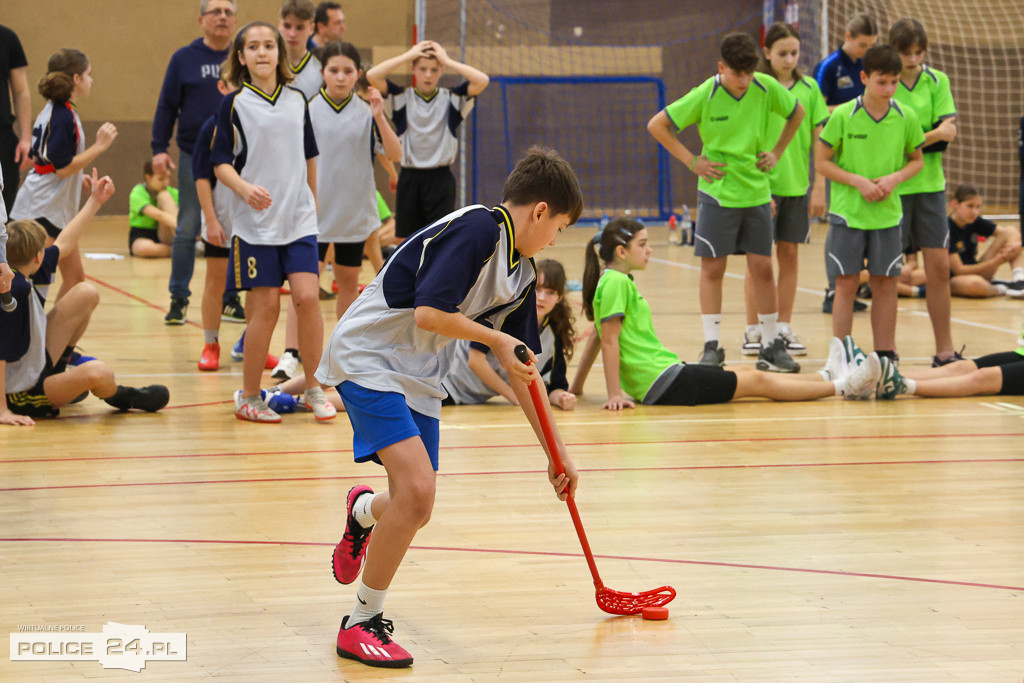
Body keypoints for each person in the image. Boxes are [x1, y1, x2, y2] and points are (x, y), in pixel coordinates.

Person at [318, 147, 583, 668]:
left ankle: (361, 513)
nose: (556, 240)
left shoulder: (523, 274)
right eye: (560, 227)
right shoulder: (480, 228)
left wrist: (557, 452)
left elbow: (521, 368)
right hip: (369, 355)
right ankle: (360, 622)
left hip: (419, 374)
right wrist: (495, 339)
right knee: (418, 493)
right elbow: (429, 313)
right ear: (539, 211)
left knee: (410, 504)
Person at [569, 218, 880, 410]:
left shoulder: (614, 282)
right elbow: (608, 342)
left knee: (743, 373)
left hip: (665, 373)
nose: (649, 250)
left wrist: (577, 388)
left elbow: (597, 336)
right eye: (642, 244)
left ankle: (825, 375)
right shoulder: (615, 283)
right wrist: (613, 394)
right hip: (661, 383)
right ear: (622, 252)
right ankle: (844, 386)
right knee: (756, 381)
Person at [647, 32, 805, 371]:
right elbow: (658, 125)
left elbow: (797, 113)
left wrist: (777, 151)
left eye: (749, 72)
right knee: (713, 268)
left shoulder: (764, 87)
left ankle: (771, 345)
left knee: (763, 268)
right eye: (737, 73)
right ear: (722, 67)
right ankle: (712, 346)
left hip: (757, 194)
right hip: (717, 195)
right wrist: (693, 162)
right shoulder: (705, 93)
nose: (744, 80)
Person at [212, 21, 334, 423]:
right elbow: (220, 163)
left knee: (308, 297)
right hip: (255, 225)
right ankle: (249, 396)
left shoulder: (298, 100)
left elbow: (309, 155)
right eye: (253, 46)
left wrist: (312, 200)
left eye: (269, 45)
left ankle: (314, 386)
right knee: (264, 308)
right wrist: (244, 189)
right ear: (242, 57)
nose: (262, 52)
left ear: (280, 53)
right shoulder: (234, 104)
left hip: (298, 220)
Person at [1, 170, 169, 426]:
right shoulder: (13, 292)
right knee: (98, 373)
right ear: (37, 256)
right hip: (19, 392)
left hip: (33, 366)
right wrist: (2, 409)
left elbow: (66, 242)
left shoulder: (24, 267)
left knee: (85, 292)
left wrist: (95, 201)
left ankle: (58, 373)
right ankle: (125, 397)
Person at [816, 45, 924, 366]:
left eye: (894, 82)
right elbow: (822, 163)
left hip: (887, 216)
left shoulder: (906, 116)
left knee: (885, 283)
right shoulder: (842, 115)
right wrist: (858, 182)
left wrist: (895, 178)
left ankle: (885, 354)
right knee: (846, 282)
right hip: (848, 214)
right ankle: (840, 354)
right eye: (881, 82)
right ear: (864, 77)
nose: (888, 89)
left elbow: (916, 160)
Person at [740, 22, 829, 361]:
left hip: (796, 185)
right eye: (782, 53)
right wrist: (760, 185)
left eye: (794, 52)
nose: (789, 59)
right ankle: (754, 328)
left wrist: (819, 186)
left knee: (789, 256)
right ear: (766, 53)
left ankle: (782, 326)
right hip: (762, 186)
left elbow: (821, 140)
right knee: (758, 260)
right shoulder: (757, 87)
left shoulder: (809, 88)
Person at [10, 48, 117, 304]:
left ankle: (53, 338)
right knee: (34, 280)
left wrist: (76, 177)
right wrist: (99, 146)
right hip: (42, 209)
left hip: (55, 205)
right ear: (77, 79)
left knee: (75, 278)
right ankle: (32, 337)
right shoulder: (62, 114)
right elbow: (61, 167)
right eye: (89, 75)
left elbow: (51, 160)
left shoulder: (59, 110)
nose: (92, 81)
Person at [154, 0, 238, 325]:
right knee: (189, 225)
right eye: (215, 11)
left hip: (236, 158)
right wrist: (159, 147)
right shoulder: (184, 58)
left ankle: (230, 298)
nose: (222, 17)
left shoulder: (241, 57)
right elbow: (166, 105)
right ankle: (178, 298)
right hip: (193, 153)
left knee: (233, 228)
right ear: (201, 19)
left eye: (228, 12)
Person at [309, 41, 401, 321]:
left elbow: (395, 153)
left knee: (348, 288)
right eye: (333, 70)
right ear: (322, 72)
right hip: (313, 217)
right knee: (307, 292)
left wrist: (379, 116)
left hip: (352, 217)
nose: (340, 76)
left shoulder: (366, 112)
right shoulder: (307, 110)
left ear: (357, 73)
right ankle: (293, 352)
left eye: (347, 70)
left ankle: (340, 352)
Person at [889, 18, 961, 366]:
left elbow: (948, 131)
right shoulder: (885, 84)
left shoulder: (937, 81)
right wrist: (928, 135)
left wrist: (915, 139)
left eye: (919, 52)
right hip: (895, 187)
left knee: (939, 269)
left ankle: (945, 351)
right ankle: (886, 351)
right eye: (906, 53)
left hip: (931, 186)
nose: (913, 59)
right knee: (888, 272)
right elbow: (890, 144)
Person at [366, 40, 489, 243]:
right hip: (409, 178)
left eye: (434, 69)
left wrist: (447, 60)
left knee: (439, 240)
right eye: (422, 69)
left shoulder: (452, 98)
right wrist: (409, 55)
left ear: (441, 70)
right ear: (413, 69)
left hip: (440, 179)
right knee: (406, 241)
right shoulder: (400, 98)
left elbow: (482, 80)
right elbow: (373, 75)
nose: (428, 75)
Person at [442, 259, 577, 410]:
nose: (542, 297)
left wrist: (561, 397)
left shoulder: (554, 335)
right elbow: (475, 361)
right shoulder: (505, 312)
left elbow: (552, 386)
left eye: (550, 292)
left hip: (469, 400)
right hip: (445, 381)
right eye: (537, 289)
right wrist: (513, 396)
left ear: (559, 297)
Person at [815, 13, 878, 313]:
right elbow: (817, 110)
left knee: (863, 222)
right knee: (839, 224)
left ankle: (854, 285)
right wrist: (854, 108)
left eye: (872, 45)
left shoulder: (869, 65)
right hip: (836, 155)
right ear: (848, 36)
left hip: (866, 154)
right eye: (863, 44)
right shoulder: (829, 67)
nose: (867, 51)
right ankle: (832, 289)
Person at [944, 183, 1024, 298]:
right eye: (970, 206)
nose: (974, 212)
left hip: (977, 270)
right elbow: (959, 270)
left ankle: (1019, 281)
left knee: (1010, 231)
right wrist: (998, 260)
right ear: (954, 204)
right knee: (975, 285)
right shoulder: (947, 228)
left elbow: (1010, 234)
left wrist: (1015, 247)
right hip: (955, 279)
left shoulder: (974, 220)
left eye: (978, 207)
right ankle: (1002, 288)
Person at [1, 24, 31, 214]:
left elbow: (20, 91)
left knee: (5, 215)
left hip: (2, 137)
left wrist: (26, 137)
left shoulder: (7, 37)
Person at [127, 161, 177, 258]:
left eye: (167, 178)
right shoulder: (137, 193)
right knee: (145, 249)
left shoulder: (171, 192)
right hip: (142, 234)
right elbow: (159, 215)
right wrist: (181, 228)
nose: (166, 183)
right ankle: (175, 250)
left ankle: (183, 243)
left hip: (165, 233)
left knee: (164, 196)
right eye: (161, 179)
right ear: (148, 178)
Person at [279, 0, 322, 100]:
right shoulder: (268, 65)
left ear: (311, 29)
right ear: (279, 25)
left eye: (299, 27)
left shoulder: (321, 69)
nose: (292, 34)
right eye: (287, 26)